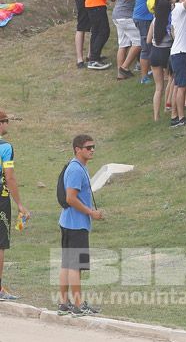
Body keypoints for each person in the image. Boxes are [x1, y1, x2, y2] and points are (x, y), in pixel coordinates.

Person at [57, 134, 103, 316]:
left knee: (67, 264)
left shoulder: (77, 166)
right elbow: (70, 198)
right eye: (88, 147)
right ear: (77, 149)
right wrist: (91, 212)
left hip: (68, 222)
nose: (92, 150)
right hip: (76, 224)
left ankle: (63, 304)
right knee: (75, 266)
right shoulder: (76, 170)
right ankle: (77, 306)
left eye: (93, 147)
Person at [0, 111, 28, 301]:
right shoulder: (6, 147)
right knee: (0, 244)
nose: (7, 125)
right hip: (1, 198)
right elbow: (9, 176)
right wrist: (19, 204)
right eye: (6, 121)